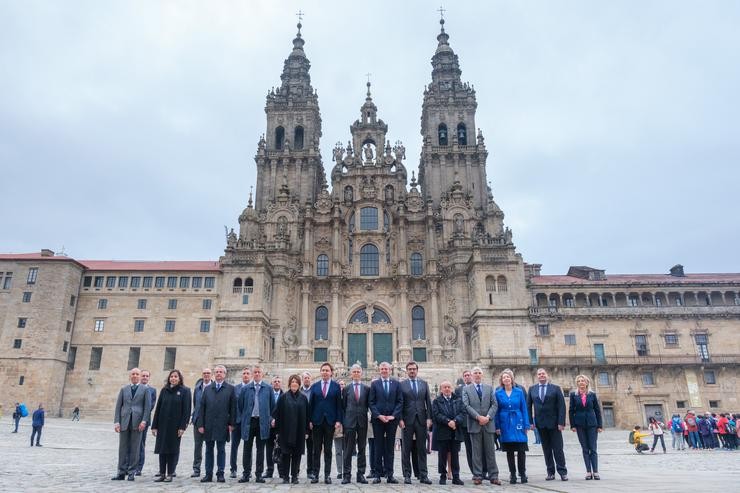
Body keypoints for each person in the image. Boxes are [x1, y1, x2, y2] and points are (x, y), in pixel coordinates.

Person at [195, 365, 236, 483]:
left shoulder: (230, 389)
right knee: (208, 450)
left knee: (221, 450)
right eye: (217, 372)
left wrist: (231, 424)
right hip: (208, 425)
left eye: (221, 372)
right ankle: (208, 474)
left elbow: (233, 408)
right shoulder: (208, 389)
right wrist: (201, 424)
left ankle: (220, 473)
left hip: (223, 425)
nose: (218, 374)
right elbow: (202, 408)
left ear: (225, 374)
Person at [526, 368, 568, 481]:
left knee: (558, 449)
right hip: (540, 424)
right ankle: (550, 472)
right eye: (539, 374)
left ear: (547, 375)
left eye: (543, 373)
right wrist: (530, 422)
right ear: (537, 376)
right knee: (546, 449)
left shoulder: (555, 388)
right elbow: (528, 407)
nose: (541, 375)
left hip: (555, 424)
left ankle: (563, 471)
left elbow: (562, 406)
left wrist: (561, 422)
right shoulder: (532, 389)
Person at [112, 367, 152, 481]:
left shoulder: (145, 389)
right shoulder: (124, 389)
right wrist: (116, 422)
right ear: (130, 376)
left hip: (138, 422)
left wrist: (144, 421)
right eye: (133, 374)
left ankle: (131, 472)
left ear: (140, 376)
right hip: (124, 421)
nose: (135, 376)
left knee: (135, 448)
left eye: (137, 374)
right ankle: (121, 471)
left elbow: (147, 407)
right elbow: (118, 406)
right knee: (122, 448)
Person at [151, 369, 191, 482]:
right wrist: (154, 426)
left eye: (175, 377)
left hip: (175, 426)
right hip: (163, 425)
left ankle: (170, 473)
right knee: (162, 449)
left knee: (172, 450)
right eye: (171, 376)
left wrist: (183, 427)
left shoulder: (185, 391)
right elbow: (158, 409)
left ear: (180, 379)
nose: (173, 378)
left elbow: (186, 411)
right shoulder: (164, 390)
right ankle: (162, 473)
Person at [462, 367, 500, 485]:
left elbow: (494, 404)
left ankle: (493, 475)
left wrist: (487, 417)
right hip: (475, 424)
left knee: (490, 452)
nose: (477, 375)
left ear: (482, 375)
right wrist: (478, 417)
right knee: (476, 452)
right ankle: (477, 475)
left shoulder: (489, 388)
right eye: (475, 373)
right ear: (472, 376)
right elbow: (466, 405)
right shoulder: (466, 389)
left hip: (488, 424)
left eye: (479, 373)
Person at [308, 362, 342, 484]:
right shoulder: (315, 386)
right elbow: (311, 405)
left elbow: (339, 405)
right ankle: (315, 474)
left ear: (331, 372)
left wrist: (338, 420)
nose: (325, 372)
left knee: (328, 450)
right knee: (316, 450)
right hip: (317, 421)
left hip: (330, 422)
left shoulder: (336, 386)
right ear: (320, 372)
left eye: (327, 370)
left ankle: (327, 475)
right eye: (323, 370)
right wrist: (310, 420)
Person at [399, 361, 433, 484]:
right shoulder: (402, 385)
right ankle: (407, 474)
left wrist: (429, 418)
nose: (412, 371)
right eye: (409, 369)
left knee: (421, 449)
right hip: (407, 420)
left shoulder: (424, 384)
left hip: (421, 419)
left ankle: (423, 474)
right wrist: (400, 419)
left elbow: (428, 402)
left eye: (414, 369)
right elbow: (400, 403)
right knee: (406, 449)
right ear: (406, 371)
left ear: (417, 370)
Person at [237, 365, 272, 483]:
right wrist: (245, 417)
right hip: (249, 422)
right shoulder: (245, 388)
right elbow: (240, 405)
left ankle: (259, 474)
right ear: (252, 374)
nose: (257, 374)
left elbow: (272, 406)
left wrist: (269, 418)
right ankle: (246, 474)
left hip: (262, 422)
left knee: (260, 449)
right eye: (255, 372)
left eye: (259, 372)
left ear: (262, 374)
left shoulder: (268, 388)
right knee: (247, 448)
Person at [369, 361, 403, 484]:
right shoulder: (375, 384)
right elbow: (371, 402)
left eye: (386, 369)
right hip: (378, 420)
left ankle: (390, 474)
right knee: (378, 447)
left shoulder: (397, 384)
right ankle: (377, 474)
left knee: (390, 448)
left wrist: (393, 416)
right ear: (379, 370)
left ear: (390, 370)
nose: (384, 370)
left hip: (391, 421)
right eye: (382, 369)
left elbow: (400, 401)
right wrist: (378, 415)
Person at [272, 374, 310, 484]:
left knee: (297, 454)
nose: (294, 383)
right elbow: (277, 414)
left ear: (299, 384)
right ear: (289, 383)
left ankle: (294, 476)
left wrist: (307, 431)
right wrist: (278, 431)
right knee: (286, 454)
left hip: (299, 431)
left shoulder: (303, 398)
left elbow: (307, 416)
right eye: (292, 381)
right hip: (285, 431)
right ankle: (285, 476)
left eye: (296, 382)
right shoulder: (283, 397)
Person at [494, 369, 529, 484]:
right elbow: (496, 411)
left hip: (518, 421)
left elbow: (524, 408)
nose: (506, 379)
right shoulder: (498, 393)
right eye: (504, 377)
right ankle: (512, 474)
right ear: (501, 380)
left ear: (512, 379)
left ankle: (522, 473)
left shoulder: (519, 392)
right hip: (505, 423)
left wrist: (526, 424)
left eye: (508, 377)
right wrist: (497, 426)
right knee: (509, 450)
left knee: (521, 449)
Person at [569, 374, 602, 480]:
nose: (581, 383)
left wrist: (599, 425)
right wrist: (573, 425)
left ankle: (595, 471)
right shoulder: (573, 395)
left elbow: (597, 410)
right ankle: (588, 471)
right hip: (579, 425)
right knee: (584, 448)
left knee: (593, 448)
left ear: (587, 382)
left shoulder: (592, 394)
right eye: (578, 381)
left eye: (582, 381)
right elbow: (571, 410)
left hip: (592, 424)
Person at [432, 381, 465, 485]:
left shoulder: (458, 400)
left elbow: (463, 413)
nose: (447, 389)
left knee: (455, 455)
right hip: (442, 431)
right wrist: (448, 421)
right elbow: (436, 415)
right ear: (441, 389)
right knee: (442, 456)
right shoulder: (437, 401)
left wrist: (455, 421)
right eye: (444, 387)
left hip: (455, 431)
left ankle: (456, 476)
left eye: (449, 387)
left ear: (452, 389)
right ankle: (443, 475)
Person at [341, 364, 370, 484]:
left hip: (362, 421)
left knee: (362, 449)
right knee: (348, 450)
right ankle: (346, 475)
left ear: (361, 373)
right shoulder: (346, 389)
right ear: (351, 373)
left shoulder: (367, 389)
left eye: (358, 371)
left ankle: (360, 474)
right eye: (354, 372)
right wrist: (344, 421)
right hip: (349, 422)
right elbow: (343, 406)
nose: (356, 373)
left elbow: (369, 405)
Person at [190, 368, 212, 477]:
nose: (206, 375)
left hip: (210, 421)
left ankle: (209, 470)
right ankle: (196, 469)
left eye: (208, 373)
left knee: (209, 446)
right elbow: (196, 404)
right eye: (204, 373)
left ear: (211, 375)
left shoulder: (214, 388)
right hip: (198, 421)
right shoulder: (197, 388)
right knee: (197, 446)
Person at [230, 367, 251, 478]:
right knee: (234, 446)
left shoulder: (253, 388)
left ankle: (248, 469)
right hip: (237, 422)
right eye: (244, 373)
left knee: (248, 447)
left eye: (248, 373)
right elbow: (232, 406)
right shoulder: (235, 389)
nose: (246, 375)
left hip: (248, 422)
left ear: (250, 375)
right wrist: (231, 422)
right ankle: (233, 469)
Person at [454, 370, 475, 475]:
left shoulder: (477, 387)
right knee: (469, 448)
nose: (467, 377)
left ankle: (483, 470)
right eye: (465, 376)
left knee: (479, 447)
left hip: (477, 421)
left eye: (468, 375)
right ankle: (474, 471)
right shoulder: (458, 390)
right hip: (465, 423)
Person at [137, 369, 157, 476]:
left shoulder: (152, 390)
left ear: (149, 378)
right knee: (130, 444)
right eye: (143, 375)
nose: (144, 377)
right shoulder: (134, 387)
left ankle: (139, 467)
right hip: (132, 420)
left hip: (144, 420)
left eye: (146, 376)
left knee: (141, 444)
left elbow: (151, 405)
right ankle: (128, 465)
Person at [265, 375, 283, 479]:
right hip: (269, 425)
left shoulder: (284, 395)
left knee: (280, 448)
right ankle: (269, 470)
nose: (276, 383)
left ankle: (281, 471)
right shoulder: (267, 395)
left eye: (278, 381)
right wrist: (271, 419)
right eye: (275, 381)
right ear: (272, 383)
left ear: (281, 383)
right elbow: (265, 409)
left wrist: (278, 421)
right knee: (269, 449)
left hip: (280, 426)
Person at [300, 371, 315, 478]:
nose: (306, 379)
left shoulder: (314, 392)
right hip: (300, 424)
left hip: (311, 425)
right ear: (302, 379)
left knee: (311, 449)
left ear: (311, 379)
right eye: (305, 378)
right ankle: (295, 471)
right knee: (297, 448)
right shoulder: (298, 392)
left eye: (308, 378)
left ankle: (310, 471)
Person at [333, 379, 346, 480]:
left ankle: (346, 469)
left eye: (343, 384)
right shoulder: (334, 396)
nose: (341, 386)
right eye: (340, 384)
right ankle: (339, 471)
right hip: (337, 426)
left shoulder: (348, 395)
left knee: (346, 450)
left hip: (347, 426)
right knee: (338, 450)